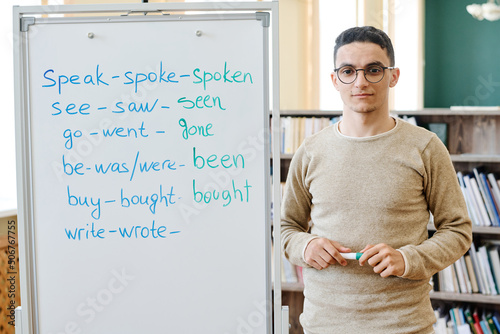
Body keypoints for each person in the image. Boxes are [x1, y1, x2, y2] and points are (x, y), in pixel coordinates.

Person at [280, 26, 472, 334]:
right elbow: (287, 229)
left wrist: (408, 259)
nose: (360, 82)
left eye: (373, 70)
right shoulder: (311, 151)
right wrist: (306, 246)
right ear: (334, 79)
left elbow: (458, 230)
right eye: (348, 71)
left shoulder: (425, 147)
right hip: (324, 325)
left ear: (393, 76)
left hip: (405, 326)